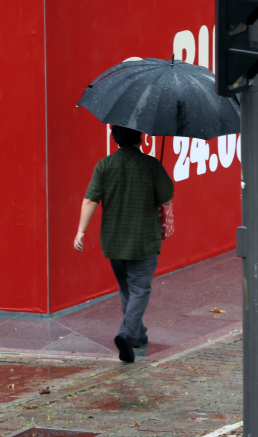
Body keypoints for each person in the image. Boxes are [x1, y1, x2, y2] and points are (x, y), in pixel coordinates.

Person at [73, 125, 174, 363]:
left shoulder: (104, 165)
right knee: (140, 289)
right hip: (143, 241)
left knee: (127, 289)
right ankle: (127, 334)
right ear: (141, 138)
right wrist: (158, 172)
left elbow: (90, 199)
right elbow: (167, 196)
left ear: (114, 138)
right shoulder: (151, 165)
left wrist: (81, 231)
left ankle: (137, 335)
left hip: (114, 241)